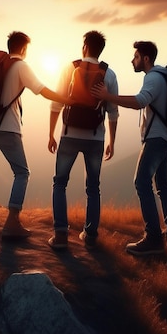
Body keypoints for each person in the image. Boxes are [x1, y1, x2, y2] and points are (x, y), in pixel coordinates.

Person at [0, 31, 70, 238]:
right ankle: (12, 221)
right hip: (8, 129)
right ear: (24, 49)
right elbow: (41, 90)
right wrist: (66, 99)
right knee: (22, 172)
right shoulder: (21, 66)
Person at [92, 40, 167, 256]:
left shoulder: (152, 78)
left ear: (146, 59)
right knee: (162, 184)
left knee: (141, 182)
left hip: (157, 139)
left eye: (136, 57)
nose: (133, 60)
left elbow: (140, 101)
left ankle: (153, 238)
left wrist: (107, 97)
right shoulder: (164, 76)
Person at [47, 31, 119, 250]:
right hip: (96, 138)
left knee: (60, 183)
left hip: (69, 135)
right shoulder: (109, 74)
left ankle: (60, 236)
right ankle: (90, 235)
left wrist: (50, 133)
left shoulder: (70, 68)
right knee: (93, 188)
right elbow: (113, 111)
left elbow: (56, 103)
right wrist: (112, 142)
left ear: (85, 46)